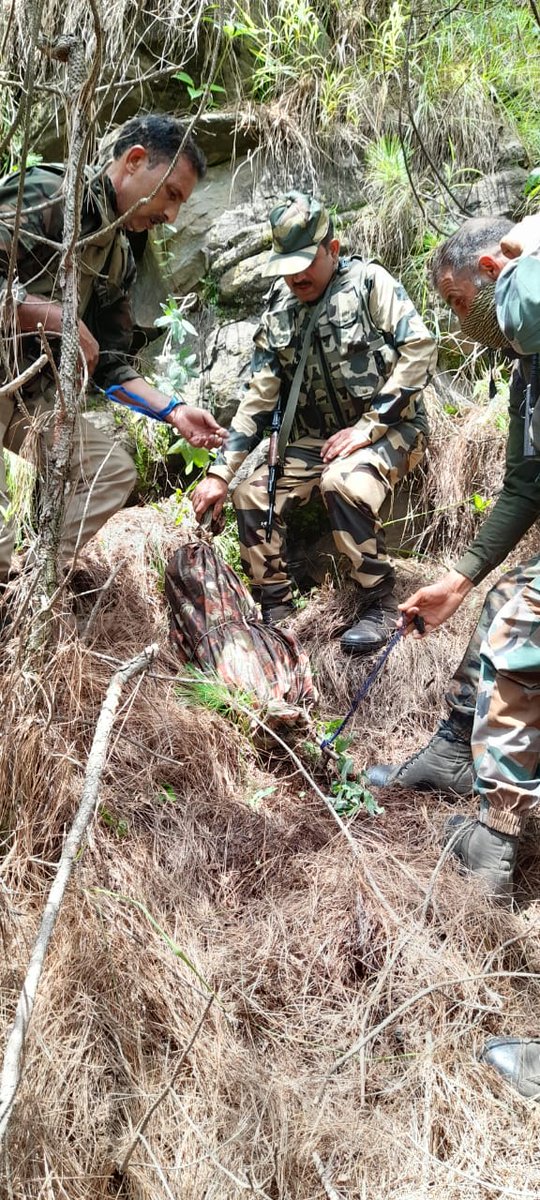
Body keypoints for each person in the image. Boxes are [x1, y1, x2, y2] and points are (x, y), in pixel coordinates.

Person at [367, 214, 540, 897]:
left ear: (496, 273)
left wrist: (526, 249)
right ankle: (452, 754)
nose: (458, 322)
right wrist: (460, 579)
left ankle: (496, 839)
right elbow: (526, 484)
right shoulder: (529, 369)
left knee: (520, 619)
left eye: (459, 302)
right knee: (502, 598)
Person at [191, 191, 437, 653]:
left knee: (341, 482)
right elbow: (259, 396)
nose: (296, 276)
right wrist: (221, 473)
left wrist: (368, 427)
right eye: (286, 266)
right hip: (315, 441)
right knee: (250, 495)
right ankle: (277, 613)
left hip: (392, 429)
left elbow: (420, 349)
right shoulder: (279, 309)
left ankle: (380, 602)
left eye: (305, 262)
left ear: (333, 249)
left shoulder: (369, 284)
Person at [0, 113, 227, 584]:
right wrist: (57, 318)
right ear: (135, 160)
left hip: (26, 400)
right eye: (171, 195)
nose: (171, 217)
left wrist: (175, 412)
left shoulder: (118, 255)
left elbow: (110, 365)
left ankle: (34, 585)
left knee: (112, 470)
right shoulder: (49, 194)